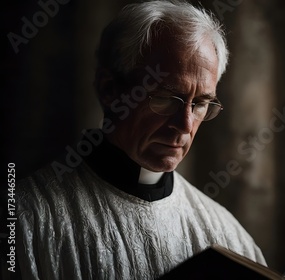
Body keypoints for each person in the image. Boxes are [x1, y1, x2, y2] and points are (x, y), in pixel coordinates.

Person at [11, 0, 266, 278]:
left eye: (200, 104)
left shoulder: (227, 235)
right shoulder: (23, 220)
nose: (184, 124)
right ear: (110, 90)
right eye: (167, 99)